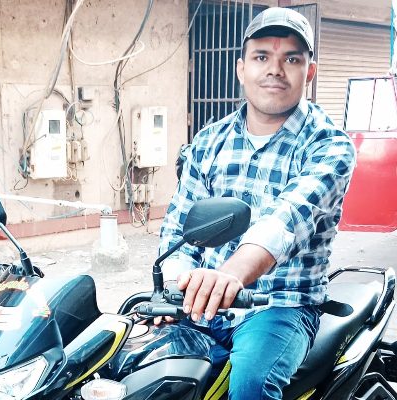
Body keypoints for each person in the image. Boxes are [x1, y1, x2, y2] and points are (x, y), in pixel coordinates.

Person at [158, 6, 356, 400]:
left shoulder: (329, 146)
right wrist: (172, 289)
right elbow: (180, 226)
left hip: (281, 305)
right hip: (202, 301)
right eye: (262, 57)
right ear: (242, 69)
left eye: (291, 59)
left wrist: (228, 276)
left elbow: (285, 220)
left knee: (250, 384)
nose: (275, 70)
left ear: (309, 73)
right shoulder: (208, 142)